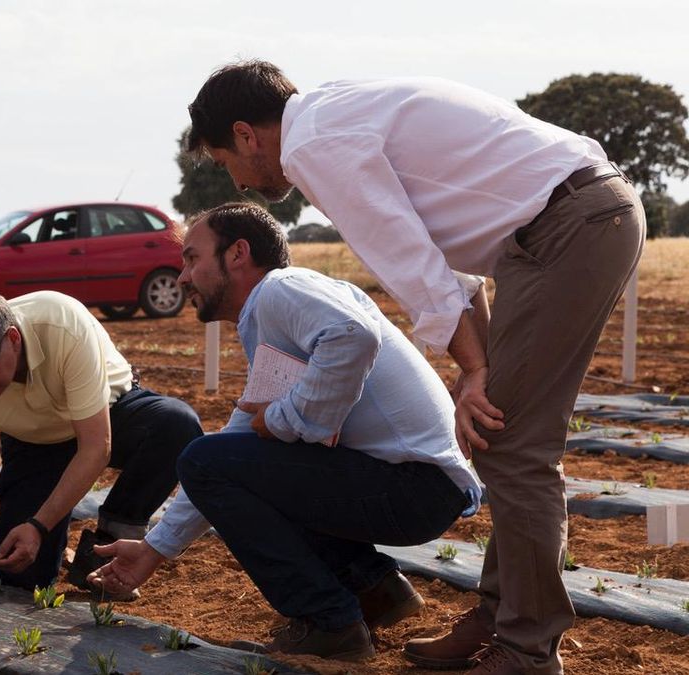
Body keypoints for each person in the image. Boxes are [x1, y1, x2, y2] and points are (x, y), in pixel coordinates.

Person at [184, 61, 645, 674]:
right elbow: (443, 261)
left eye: (225, 161)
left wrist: (475, 369)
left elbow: (408, 261)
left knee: (515, 447)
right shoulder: (333, 113)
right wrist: (473, 366)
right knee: (501, 433)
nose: (238, 180)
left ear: (246, 134)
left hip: (567, 225)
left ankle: (527, 649)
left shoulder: (314, 145)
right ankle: (498, 616)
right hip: (564, 224)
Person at [88, 203, 481, 661]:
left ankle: (330, 622)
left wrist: (286, 421)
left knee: (208, 460)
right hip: (419, 488)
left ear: (238, 254)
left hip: (413, 485)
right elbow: (235, 447)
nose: (182, 278)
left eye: (193, 258)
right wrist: (155, 550)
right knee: (220, 460)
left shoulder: (280, 289)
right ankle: (374, 590)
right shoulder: (275, 312)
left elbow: (354, 335)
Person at [0, 290, 202, 595]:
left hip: (106, 415)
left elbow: (95, 446)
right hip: (32, 440)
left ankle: (110, 543)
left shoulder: (63, 325)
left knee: (175, 426)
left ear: (12, 339)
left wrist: (38, 526)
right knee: (19, 579)